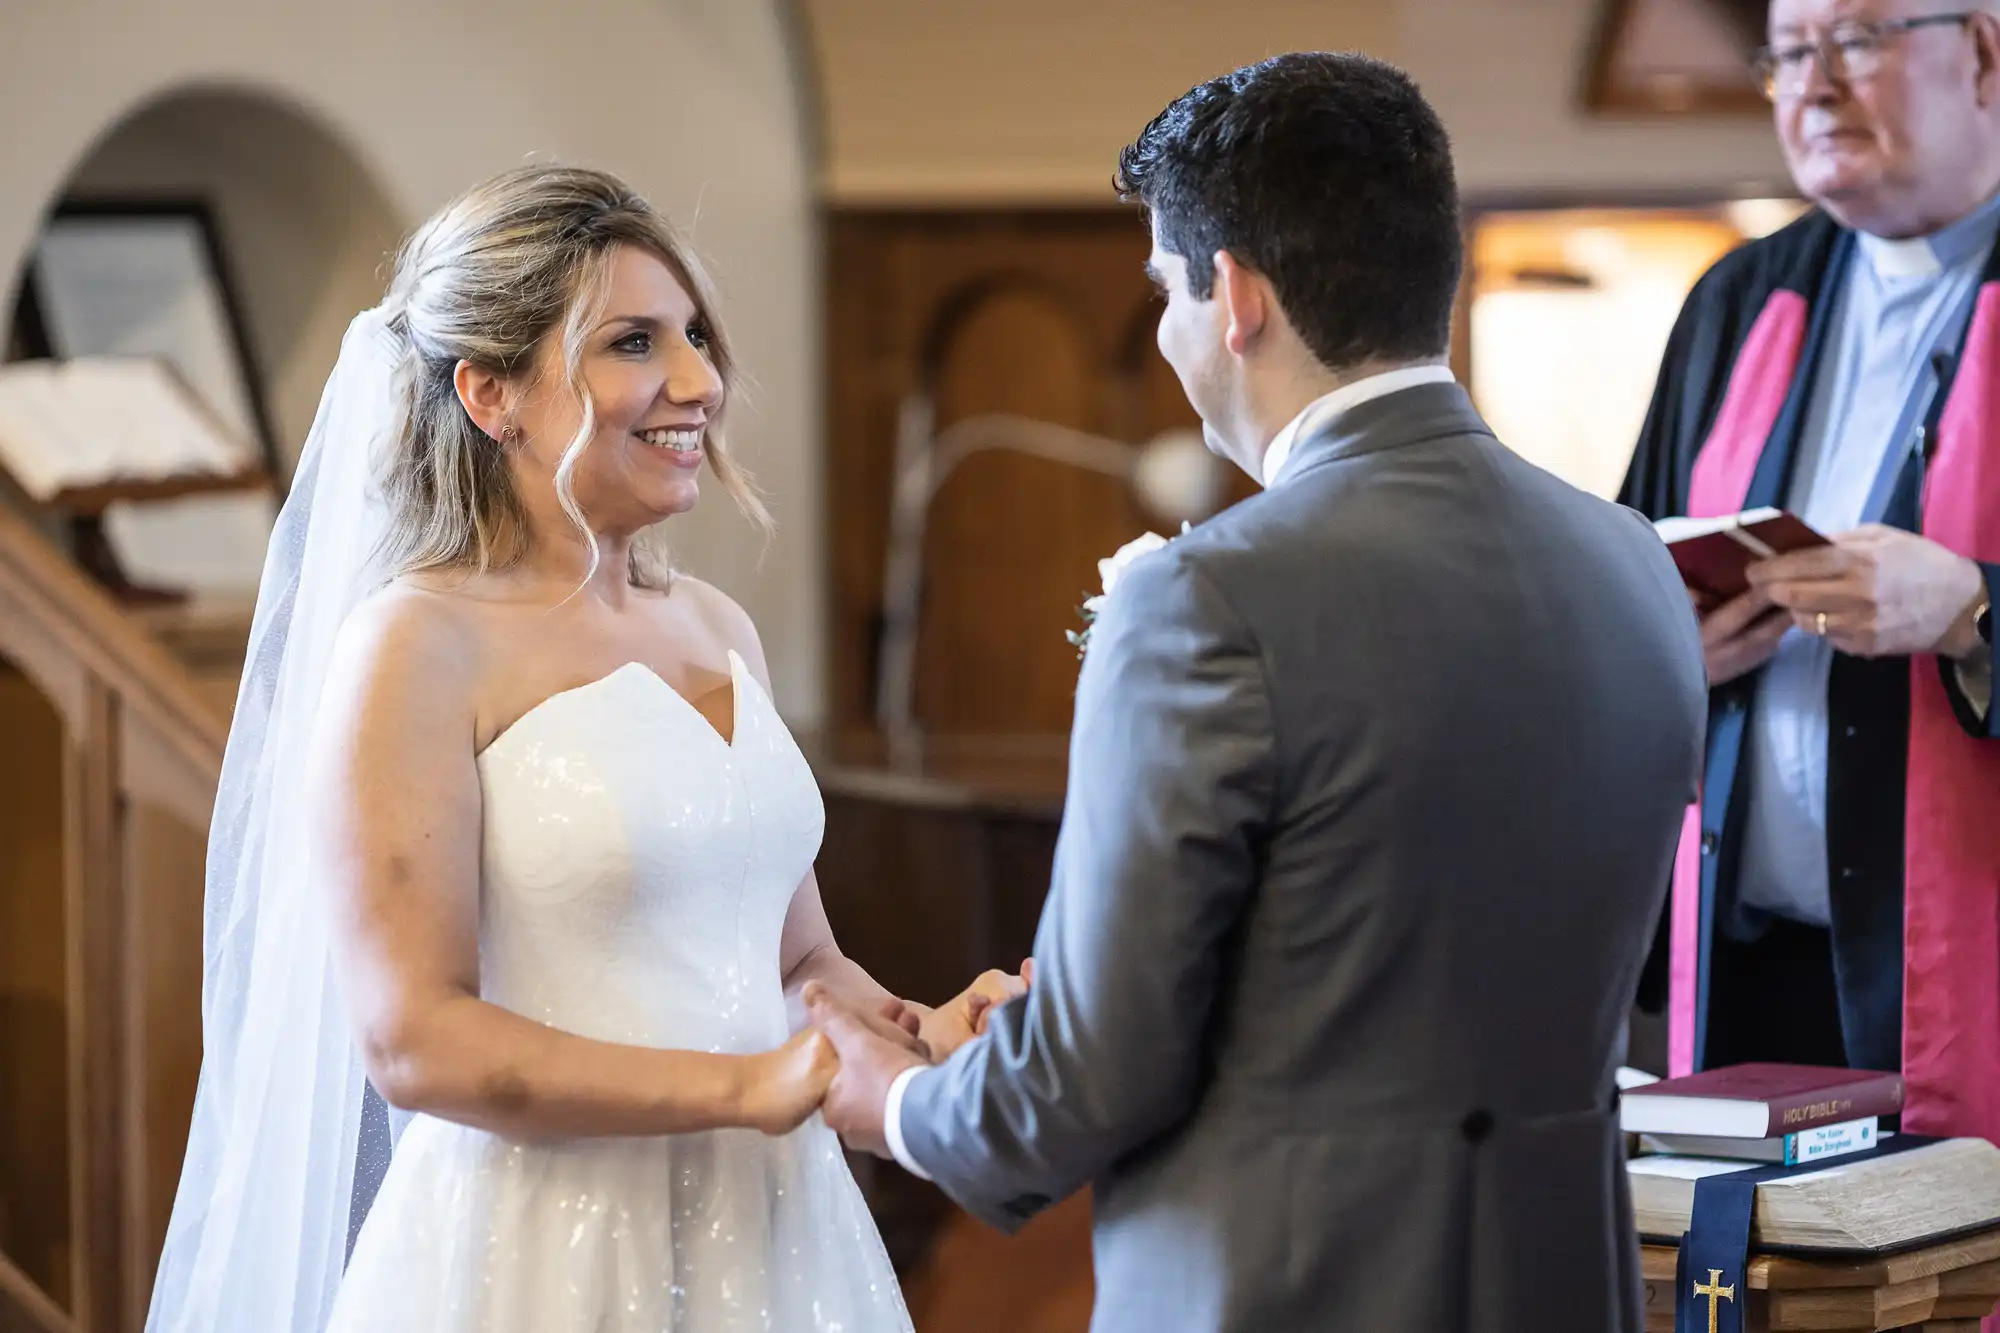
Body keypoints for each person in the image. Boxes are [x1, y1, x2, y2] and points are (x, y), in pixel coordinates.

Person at [803, 53, 1707, 1333]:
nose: (1172, 331)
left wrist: (881, 1096)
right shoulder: (1631, 562)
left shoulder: (1206, 598)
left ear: (1231, 296)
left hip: (1289, 1291)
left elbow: (1079, 1081)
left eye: (1164, 290)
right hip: (1558, 1281)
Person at [144, 164, 1015, 1333]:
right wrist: (748, 1085)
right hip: (538, 1250)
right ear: (490, 392)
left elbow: (796, 959)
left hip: (774, 1235)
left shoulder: (716, 625)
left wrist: (914, 1032)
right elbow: (415, 1038)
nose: (699, 382)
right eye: (634, 342)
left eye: (695, 335)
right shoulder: (416, 645)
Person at [1620, 0, 2000, 1140]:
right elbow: (1622, 559)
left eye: (1855, 41)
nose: (1810, 85)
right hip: (1752, 962)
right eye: (1787, 52)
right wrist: (1659, 642)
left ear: (1983, 51)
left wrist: (1972, 609)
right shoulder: (1740, 298)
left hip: (1966, 963)